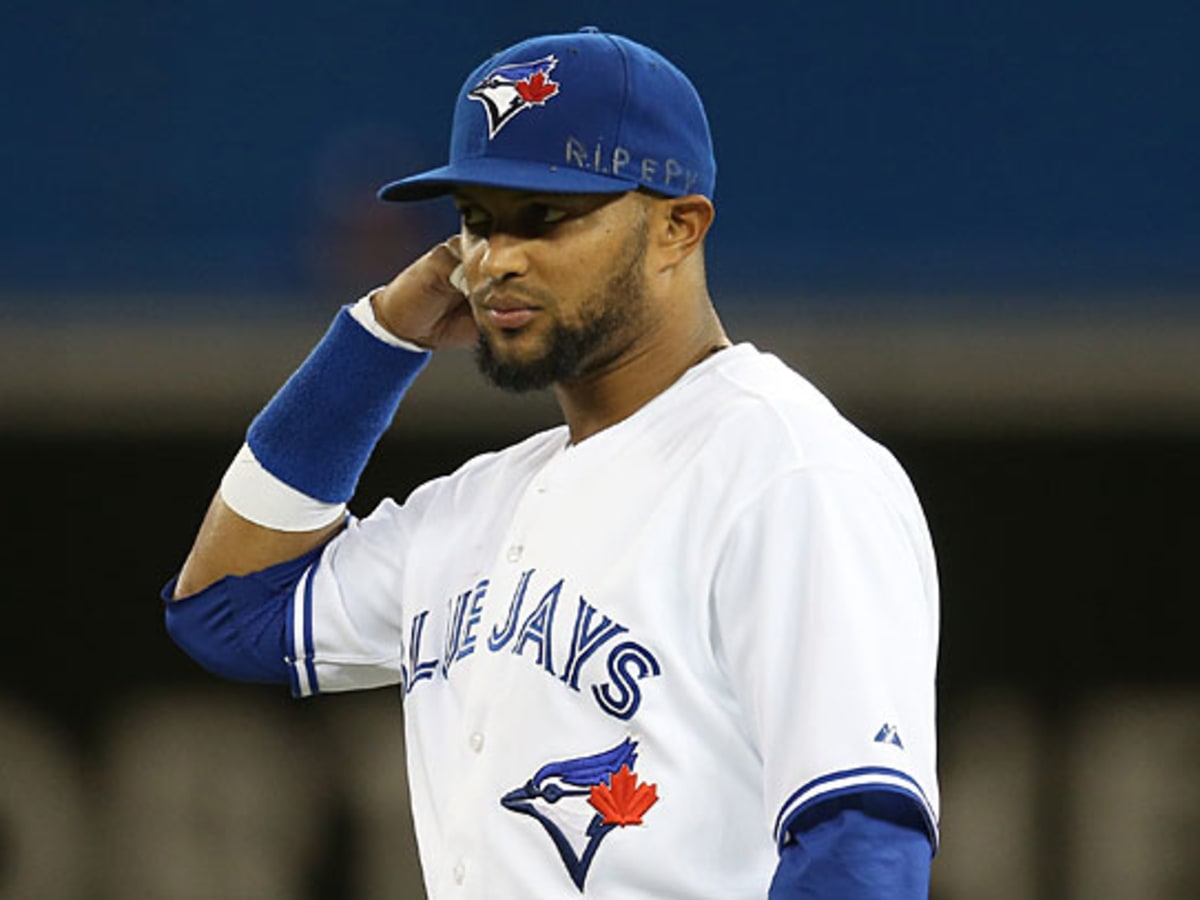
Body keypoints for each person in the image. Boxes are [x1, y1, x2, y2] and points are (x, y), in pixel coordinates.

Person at [164, 27, 940, 898]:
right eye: (476, 221)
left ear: (677, 228)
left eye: (547, 217)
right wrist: (379, 338)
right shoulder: (481, 504)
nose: (497, 260)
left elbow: (863, 846)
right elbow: (227, 611)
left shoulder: (787, 472)